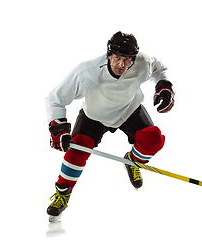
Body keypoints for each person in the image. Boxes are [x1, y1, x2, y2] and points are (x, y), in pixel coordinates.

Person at [44, 31, 175, 222]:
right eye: (117, 58)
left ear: (133, 58)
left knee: (153, 140)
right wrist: (58, 128)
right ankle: (63, 194)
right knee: (76, 149)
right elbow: (55, 99)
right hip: (95, 115)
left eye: (127, 60)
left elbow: (159, 68)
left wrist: (164, 85)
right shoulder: (86, 72)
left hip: (129, 109)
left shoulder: (142, 62)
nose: (122, 65)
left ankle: (132, 160)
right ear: (109, 54)